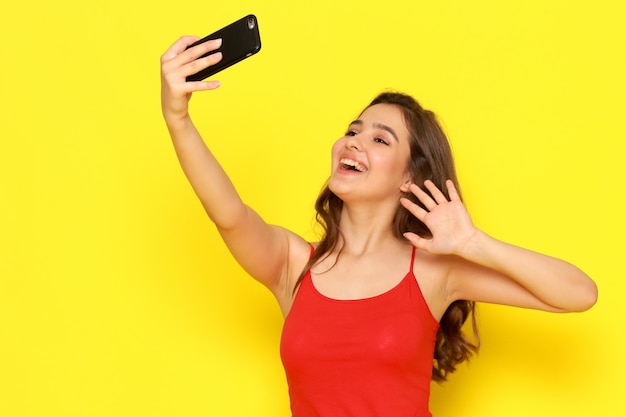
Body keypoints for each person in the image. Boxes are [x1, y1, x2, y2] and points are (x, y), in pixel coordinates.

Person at [160, 36, 598, 417]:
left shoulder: (434, 272)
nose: (354, 141)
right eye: (353, 130)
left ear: (409, 177)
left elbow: (579, 294)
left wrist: (473, 243)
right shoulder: (293, 266)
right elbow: (229, 213)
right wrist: (177, 118)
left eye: (380, 139)